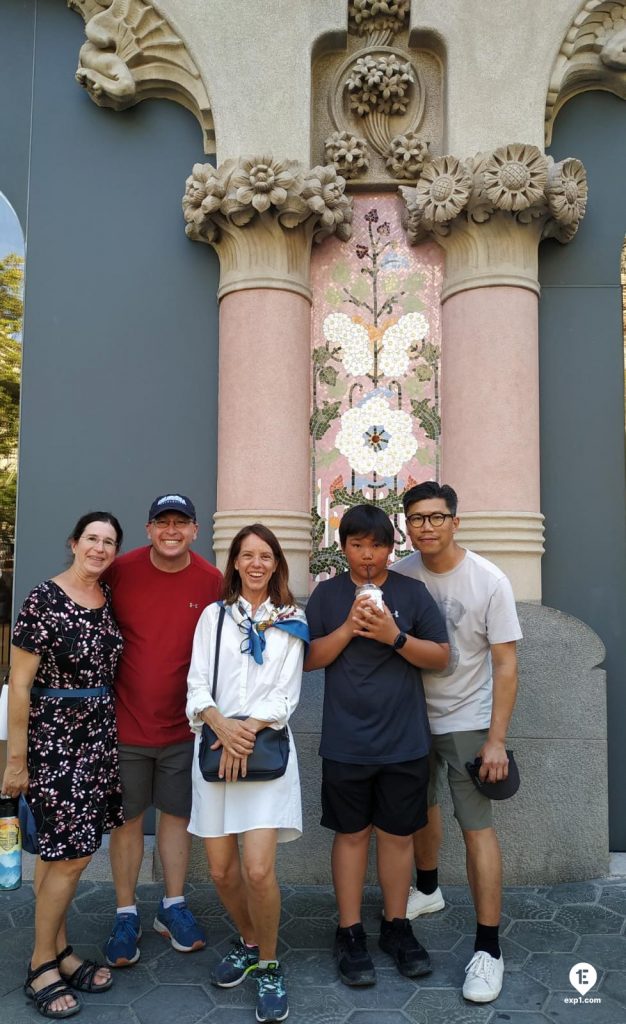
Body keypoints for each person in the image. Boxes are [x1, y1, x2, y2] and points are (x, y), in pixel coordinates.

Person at [304, 504, 449, 988]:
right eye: (357, 545)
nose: (368, 556)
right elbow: (307, 660)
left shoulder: (412, 591)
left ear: (392, 548)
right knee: (349, 835)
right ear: (343, 548)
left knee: (397, 836)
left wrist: (394, 635)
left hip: (404, 740)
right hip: (346, 741)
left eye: (377, 545)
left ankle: (396, 926)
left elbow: (441, 657)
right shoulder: (326, 595)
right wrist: (348, 627)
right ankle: (348, 931)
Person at [392, 481, 522, 1003]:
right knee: (418, 811)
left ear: (455, 521)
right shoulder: (399, 573)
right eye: (417, 518)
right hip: (408, 719)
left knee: (476, 829)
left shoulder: (488, 579)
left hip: (468, 719)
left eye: (436, 517)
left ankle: (488, 950)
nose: (427, 526)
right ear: (407, 524)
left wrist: (496, 739)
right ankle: (427, 890)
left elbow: (506, 661)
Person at [1, 512, 125, 1019]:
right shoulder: (43, 599)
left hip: (97, 735)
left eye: (109, 542)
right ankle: (38, 966)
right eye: (91, 539)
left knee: (58, 854)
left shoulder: (106, 598)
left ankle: (60, 951)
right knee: (71, 856)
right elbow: (20, 685)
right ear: (74, 543)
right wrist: (15, 760)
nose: (99, 548)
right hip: (55, 740)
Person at [186, 523, 308, 1024]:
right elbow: (195, 683)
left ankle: (269, 964)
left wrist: (246, 731)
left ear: (276, 564)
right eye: (247, 555)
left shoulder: (291, 620)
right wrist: (220, 724)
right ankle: (249, 939)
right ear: (234, 562)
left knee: (258, 869)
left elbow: (286, 693)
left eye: (266, 556)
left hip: (264, 749)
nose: (256, 563)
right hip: (216, 746)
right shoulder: (213, 618)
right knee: (220, 869)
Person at [103, 494, 223, 966]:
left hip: (185, 727)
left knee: (176, 818)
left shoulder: (211, 580)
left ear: (195, 531)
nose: (171, 531)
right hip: (125, 724)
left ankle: (172, 906)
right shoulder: (121, 571)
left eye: (181, 523)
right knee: (128, 821)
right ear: (149, 529)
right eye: (161, 522)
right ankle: (126, 911)